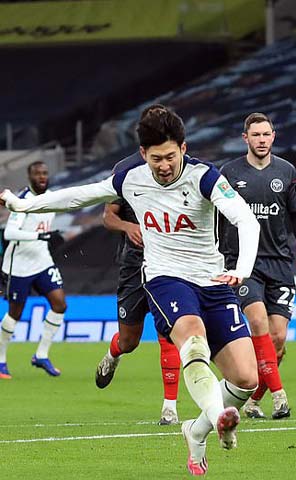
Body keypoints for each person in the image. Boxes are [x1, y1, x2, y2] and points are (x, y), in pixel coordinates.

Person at [0, 105, 261, 476]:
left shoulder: (205, 177)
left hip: (214, 280)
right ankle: (220, 416)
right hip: (165, 277)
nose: (164, 165)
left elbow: (245, 220)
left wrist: (242, 270)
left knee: (247, 379)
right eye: (156, 158)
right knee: (192, 338)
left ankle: (198, 429)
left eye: (171, 156)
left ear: (183, 149)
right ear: (143, 154)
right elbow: (78, 196)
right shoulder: (130, 177)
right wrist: (24, 205)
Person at [220, 112, 296, 419]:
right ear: (245, 138)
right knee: (258, 323)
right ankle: (279, 396)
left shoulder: (286, 171)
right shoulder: (229, 172)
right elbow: (215, 216)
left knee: (278, 341)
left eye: (266, 134)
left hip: (280, 262)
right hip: (243, 264)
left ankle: (252, 400)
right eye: (255, 135)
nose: (261, 140)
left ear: (274, 137)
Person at [95, 105, 182, 426]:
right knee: (129, 340)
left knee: (168, 334)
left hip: (169, 262)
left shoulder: (177, 167)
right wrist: (128, 227)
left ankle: (169, 407)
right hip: (133, 264)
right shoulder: (126, 169)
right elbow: (108, 216)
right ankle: (113, 354)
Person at [0, 161, 66, 378]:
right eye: (37, 174)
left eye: (45, 173)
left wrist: (52, 237)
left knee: (59, 304)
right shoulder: (22, 201)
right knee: (15, 314)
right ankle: (0, 360)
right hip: (19, 265)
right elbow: (10, 233)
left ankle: (41, 354)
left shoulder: (52, 197)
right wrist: (40, 236)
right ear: (30, 177)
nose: (42, 177)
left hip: (42, 261)